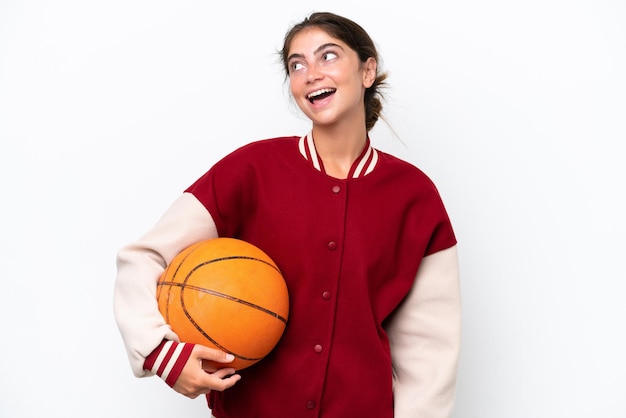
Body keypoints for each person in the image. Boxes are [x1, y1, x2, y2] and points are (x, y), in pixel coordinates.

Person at [114, 11, 461, 418]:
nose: (311, 73)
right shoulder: (251, 170)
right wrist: (161, 353)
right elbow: (143, 258)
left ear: (368, 71)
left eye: (328, 56)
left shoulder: (414, 196)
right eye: (297, 65)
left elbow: (430, 352)